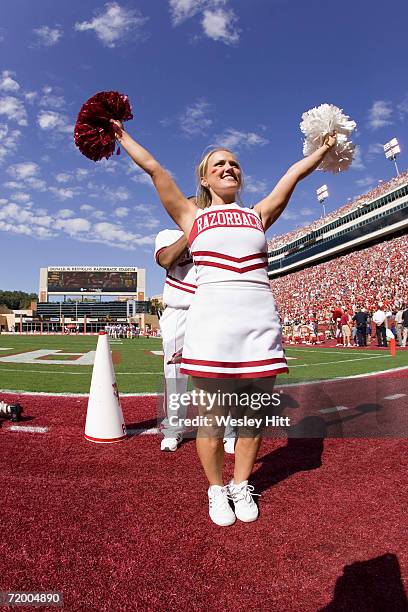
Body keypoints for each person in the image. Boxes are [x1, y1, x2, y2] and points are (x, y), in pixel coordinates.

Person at [110, 117, 336, 526]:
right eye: (219, 165)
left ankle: (241, 483)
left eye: (234, 163)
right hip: (211, 325)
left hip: (259, 324)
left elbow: (293, 175)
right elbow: (156, 170)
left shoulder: (259, 214)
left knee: (253, 417)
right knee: (213, 419)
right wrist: (121, 135)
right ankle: (216, 488)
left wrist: (323, 148)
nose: (229, 168)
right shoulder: (191, 216)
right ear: (205, 178)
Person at [155, 217, 236, 453]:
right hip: (178, 310)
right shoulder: (167, 235)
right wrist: (192, 229)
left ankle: (227, 430)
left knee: (219, 371)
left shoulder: (215, 235)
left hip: (210, 307)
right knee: (174, 373)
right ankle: (174, 429)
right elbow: (166, 260)